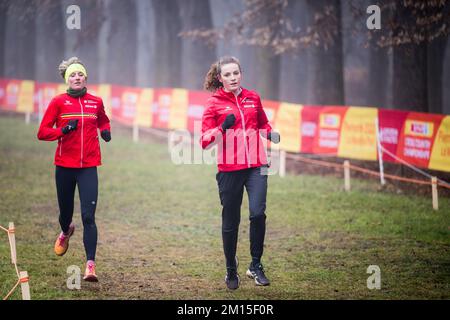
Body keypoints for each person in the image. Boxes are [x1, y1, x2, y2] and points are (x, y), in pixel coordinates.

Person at [201, 56, 280, 290]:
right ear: (220, 78)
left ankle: (255, 265)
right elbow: (205, 142)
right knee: (231, 221)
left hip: (257, 165)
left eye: (236, 73)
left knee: (257, 214)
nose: (233, 78)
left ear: (241, 74)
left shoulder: (252, 97)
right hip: (230, 170)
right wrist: (222, 127)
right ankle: (230, 268)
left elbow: (263, 124)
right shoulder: (213, 103)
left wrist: (270, 134)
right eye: (227, 74)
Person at [37, 57, 111, 282]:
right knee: (65, 215)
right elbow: (42, 132)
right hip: (64, 167)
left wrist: (105, 130)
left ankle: (90, 266)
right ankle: (66, 230)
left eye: (80, 74)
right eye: (72, 75)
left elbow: (103, 120)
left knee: (89, 217)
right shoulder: (58, 102)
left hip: (88, 167)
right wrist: (63, 130)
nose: (76, 78)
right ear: (66, 80)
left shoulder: (95, 102)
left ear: (85, 77)